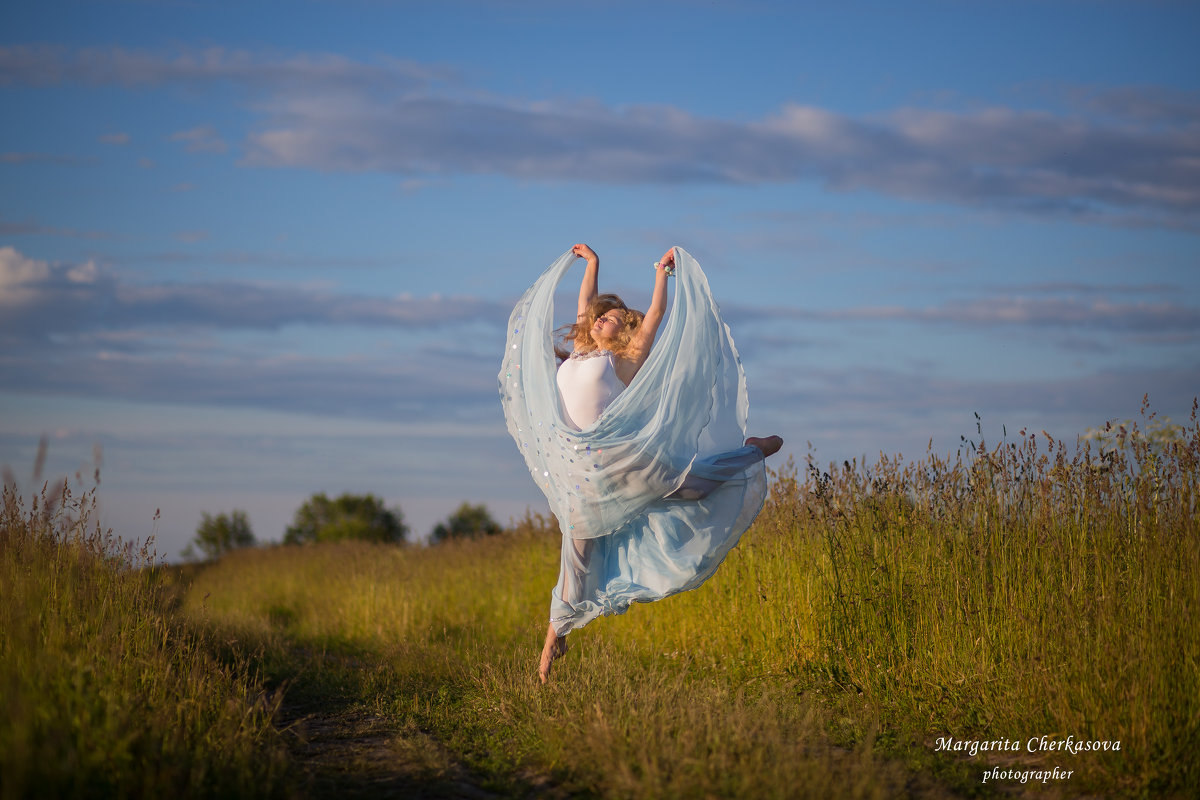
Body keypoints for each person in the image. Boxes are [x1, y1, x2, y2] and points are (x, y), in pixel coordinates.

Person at [499, 244, 782, 683]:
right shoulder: (578, 351)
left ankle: (753, 450)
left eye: (609, 317)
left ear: (623, 327)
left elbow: (653, 317)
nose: (598, 319)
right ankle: (553, 643)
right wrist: (591, 264)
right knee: (575, 561)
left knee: (696, 487)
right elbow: (585, 304)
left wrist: (662, 275)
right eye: (596, 316)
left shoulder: (625, 360)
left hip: (619, 459)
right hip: (577, 474)